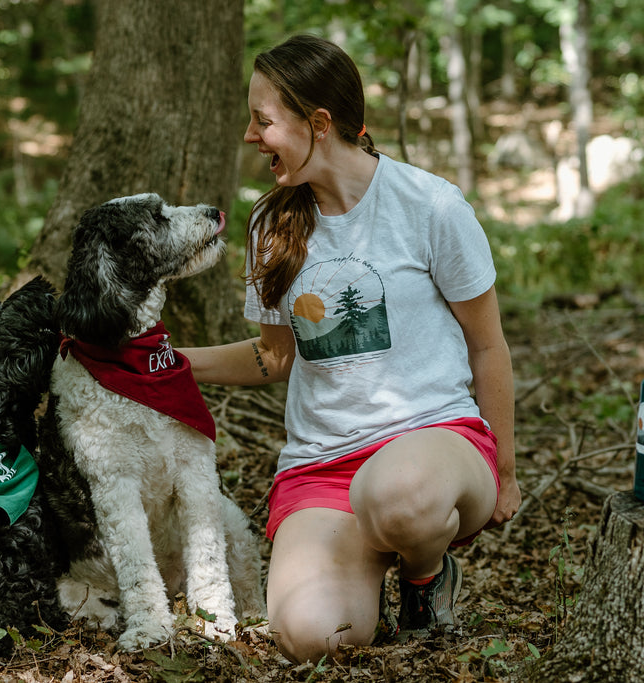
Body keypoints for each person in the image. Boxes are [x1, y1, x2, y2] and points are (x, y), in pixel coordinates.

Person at [181, 34, 520, 665]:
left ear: (319, 123)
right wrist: (170, 361)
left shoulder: (430, 206)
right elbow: (273, 357)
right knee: (315, 637)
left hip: (435, 443)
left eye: (264, 121)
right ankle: (370, 565)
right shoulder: (271, 225)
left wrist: (507, 469)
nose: (251, 136)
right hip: (325, 465)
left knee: (399, 496)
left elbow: (488, 343)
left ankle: (424, 580)